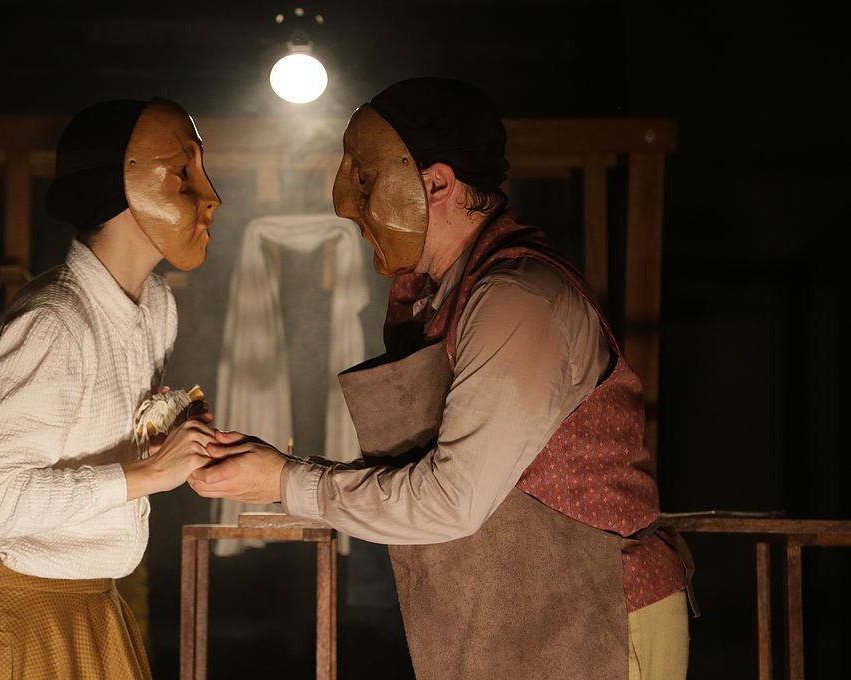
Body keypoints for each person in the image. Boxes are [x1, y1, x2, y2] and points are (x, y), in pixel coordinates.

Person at [189, 78, 693, 679]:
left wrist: (285, 480)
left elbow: (452, 499)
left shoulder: (515, 298)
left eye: (365, 180)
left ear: (436, 183)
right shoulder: (449, 294)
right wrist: (278, 472)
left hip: (596, 618)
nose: (348, 205)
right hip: (525, 614)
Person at [0, 97, 221, 680]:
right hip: (19, 618)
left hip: (96, 607)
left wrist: (175, 446)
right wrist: (148, 475)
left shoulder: (155, 307)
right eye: (183, 173)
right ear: (127, 185)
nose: (210, 198)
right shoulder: (53, 322)